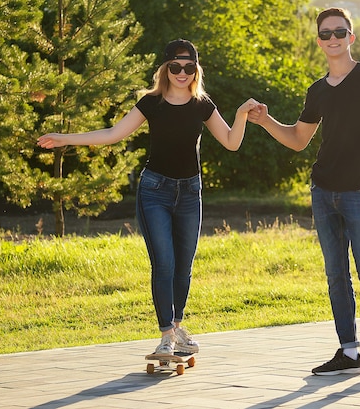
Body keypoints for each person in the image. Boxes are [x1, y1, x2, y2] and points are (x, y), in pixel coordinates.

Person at [38, 39, 258, 356]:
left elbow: (231, 142)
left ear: (196, 70)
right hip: (155, 191)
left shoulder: (202, 104)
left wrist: (240, 115)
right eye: (175, 67)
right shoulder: (151, 103)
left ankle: (178, 327)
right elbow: (112, 134)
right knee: (164, 263)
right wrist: (64, 139)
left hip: (189, 192)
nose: (182, 73)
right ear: (165, 69)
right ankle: (166, 334)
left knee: (184, 266)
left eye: (188, 67)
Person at [248, 8, 360, 380]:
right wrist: (265, 120)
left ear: (351, 37)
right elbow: (298, 139)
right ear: (320, 41)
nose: (333, 38)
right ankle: (348, 352)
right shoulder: (318, 91)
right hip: (323, 193)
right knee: (336, 275)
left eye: (340, 31)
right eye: (326, 34)